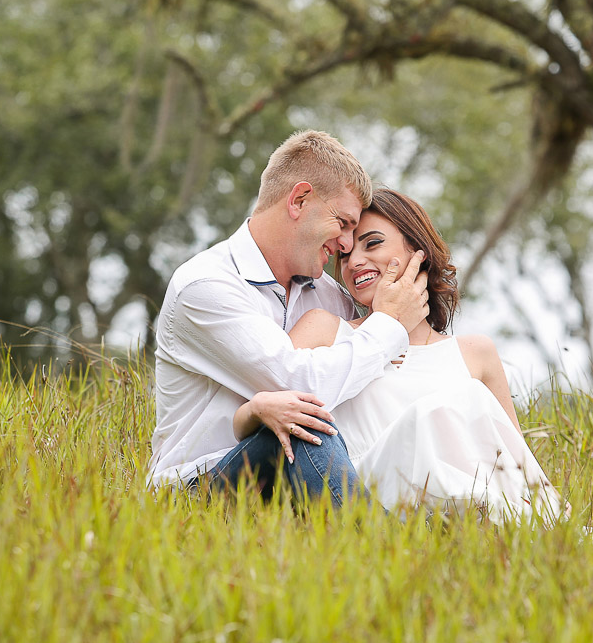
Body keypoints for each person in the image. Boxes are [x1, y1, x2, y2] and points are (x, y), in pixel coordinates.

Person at [233, 189, 568, 524]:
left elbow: (513, 456)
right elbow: (256, 414)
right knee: (434, 411)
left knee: (469, 400)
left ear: (416, 249)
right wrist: (255, 409)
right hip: (367, 495)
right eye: (345, 255)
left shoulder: (475, 353)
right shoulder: (325, 330)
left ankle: (510, 524)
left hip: (471, 505)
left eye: (373, 243)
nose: (355, 262)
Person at [148, 131, 430, 506]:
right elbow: (303, 385)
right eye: (344, 223)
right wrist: (389, 325)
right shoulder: (205, 286)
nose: (346, 246)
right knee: (304, 422)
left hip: (294, 483)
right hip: (198, 488)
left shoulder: (329, 296)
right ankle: (382, 550)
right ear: (299, 200)